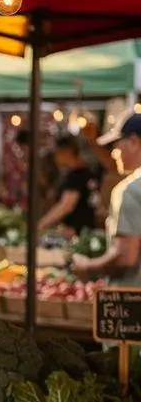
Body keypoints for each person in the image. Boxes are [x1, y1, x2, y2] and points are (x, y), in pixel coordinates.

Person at [72, 112, 141, 287]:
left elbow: (125, 257)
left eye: (118, 144)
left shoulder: (130, 190)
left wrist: (88, 266)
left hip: (132, 303)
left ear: (134, 142)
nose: (115, 152)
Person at [38, 134, 97, 235]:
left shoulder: (76, 176)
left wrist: (41, 224)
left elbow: (66, 206)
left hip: (77, 232)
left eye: (57, 153)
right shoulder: (86, 172)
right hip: (87, 230)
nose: (55, 158)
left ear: (68, 151)